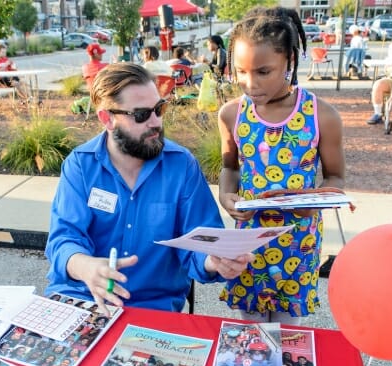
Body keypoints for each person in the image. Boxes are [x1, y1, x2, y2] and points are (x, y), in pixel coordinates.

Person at [44, 62, 253, 315]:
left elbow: (202, 242)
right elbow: (64, 239)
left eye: (159, 109)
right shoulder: (80, 165)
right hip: (83, 298)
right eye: (142, 115)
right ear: (107, 118)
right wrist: (85, 266)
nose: (156, 122)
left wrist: (216, 261)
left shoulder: (182, 166)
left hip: (152, 308)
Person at [217, 7, 345, 325]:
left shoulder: (322, 115)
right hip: (249, 244)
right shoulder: (231, 115)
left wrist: (313, 203)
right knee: (251, 337)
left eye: (263, 71)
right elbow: (230, 168)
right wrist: (226, 195)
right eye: (241, 71)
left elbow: (335, 176)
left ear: (289, 60)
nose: (249, 83)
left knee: (288, 337)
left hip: (299, 242)